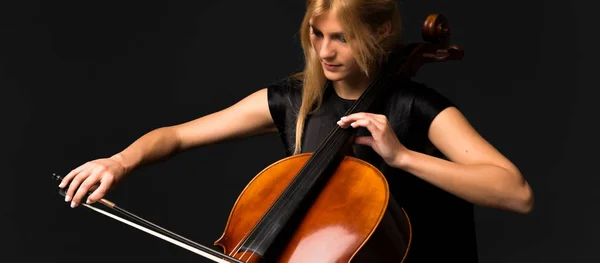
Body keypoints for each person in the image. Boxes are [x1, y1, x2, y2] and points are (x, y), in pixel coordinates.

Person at [58, 0, 534, 261]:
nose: (325, 51)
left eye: (341, 38)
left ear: (383, 31)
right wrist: (118, 161)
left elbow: (515, 193)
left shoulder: (416, 107)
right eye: (316, 33)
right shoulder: (294, 100)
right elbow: (178, 135)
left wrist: (404, 157)